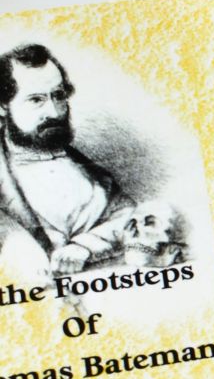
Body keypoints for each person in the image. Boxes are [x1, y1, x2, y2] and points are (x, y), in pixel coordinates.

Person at [0, 42, 129, 282]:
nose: (54, 111)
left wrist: (85, 246)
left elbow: (131, 217)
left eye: (58, 95)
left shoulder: (92, 175)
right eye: (36, 99)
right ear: (2, 106)